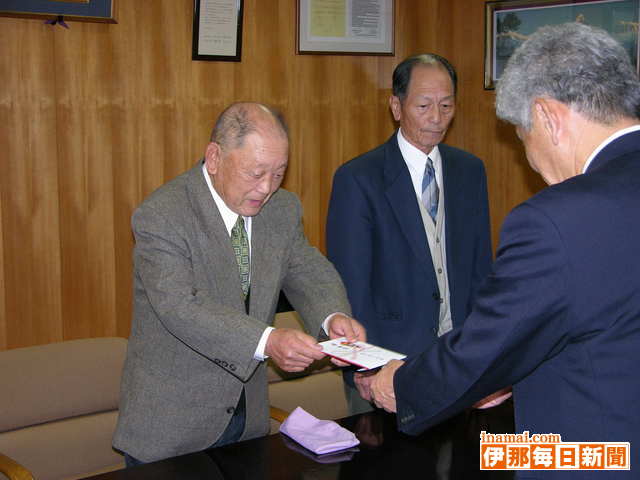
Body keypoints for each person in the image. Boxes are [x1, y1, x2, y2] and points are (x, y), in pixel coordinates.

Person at [370, 22, 640, 477]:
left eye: (523, 136)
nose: (531, 162)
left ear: (548, 117)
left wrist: (401, 383)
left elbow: (485, 344)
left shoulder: (558, 220)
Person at [113, 102, 365, 465]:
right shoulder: (163, 215)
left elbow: (307, 269)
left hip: (247, 421)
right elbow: (180, 307)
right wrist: (268, 340)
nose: (266, 188)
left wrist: (332, 315)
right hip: (172, 429)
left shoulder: (282, 208)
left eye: (278, 174)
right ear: (214, 158)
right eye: (256, 173)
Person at [326, 54, 493, 414]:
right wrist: (365, 367)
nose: (436, 117)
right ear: (396, 107)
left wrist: (484, 352)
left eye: (446, 105)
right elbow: (350, 284)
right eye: (424, 105)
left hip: (458, 359)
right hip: (388, 366)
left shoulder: (469, 171)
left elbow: (481, 269)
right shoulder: (358, 179)